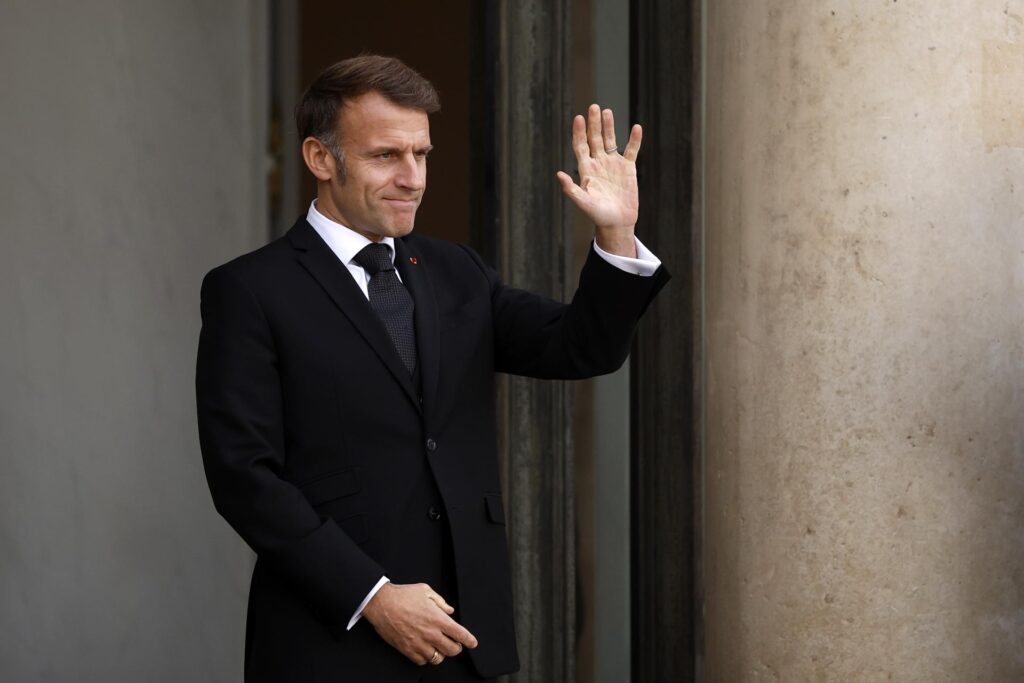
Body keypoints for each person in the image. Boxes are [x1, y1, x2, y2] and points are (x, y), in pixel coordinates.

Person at [196, 55, 668, 682]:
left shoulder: (456, 271)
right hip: (328, 641)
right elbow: (244, 476)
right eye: (386, 156)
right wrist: (373, 596)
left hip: (462, 637)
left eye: (421, 154)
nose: (412, 178)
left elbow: (580, 349)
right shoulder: (251, 290)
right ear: (319, 158)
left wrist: (616, 235)